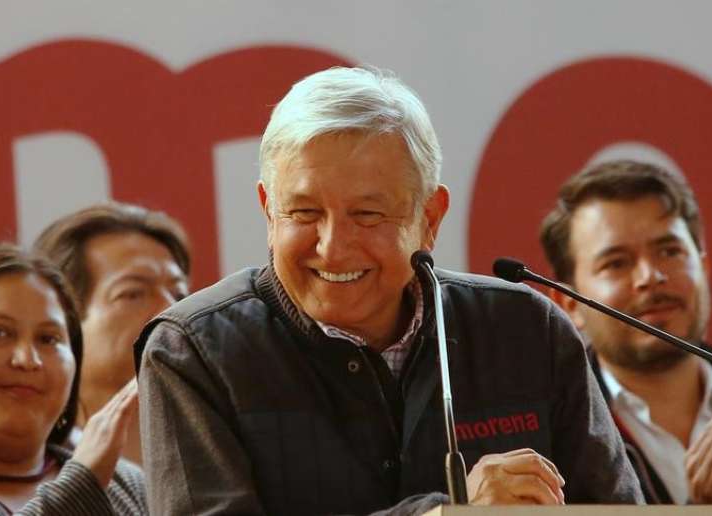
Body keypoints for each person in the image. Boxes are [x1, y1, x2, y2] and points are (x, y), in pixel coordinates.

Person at [136, 66, 642, 515]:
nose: (333, 248)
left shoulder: (526, 330)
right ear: (269, 210)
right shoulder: (193, 352)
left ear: (430, 218)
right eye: (304, 213)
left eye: (368, 214)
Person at [540, 160, 712, 504]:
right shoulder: (548, 451)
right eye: (616, 263)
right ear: (569, 303)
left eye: (669, 251)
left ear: (703, 267)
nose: (650, 276)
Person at [33, 202, 190, 465]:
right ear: (64, 322)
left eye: (179, 294)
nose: (172, 310)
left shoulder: (221, 450)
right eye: (133, 293)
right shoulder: (28, 473)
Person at [0, 244, 145, 515]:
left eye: (48, 339)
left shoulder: (126, 484)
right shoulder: (91, 476)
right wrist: (82, 484)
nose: (28, 360)